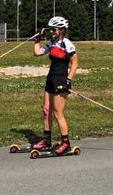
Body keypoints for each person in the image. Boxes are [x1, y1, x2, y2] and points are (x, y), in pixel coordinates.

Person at [32, 16, 78, 155]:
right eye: (50, 29)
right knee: (46, 110)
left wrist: (68, 81)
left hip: (60, 80)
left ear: (61, 30)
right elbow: (37, 53)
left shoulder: (67, 44)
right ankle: (46, 140)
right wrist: (37, 41)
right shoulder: (52, 42)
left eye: (54, 29)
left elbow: (75, 64)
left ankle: (66, 143)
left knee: (58, 113)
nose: (51, 32)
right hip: (50, 78)